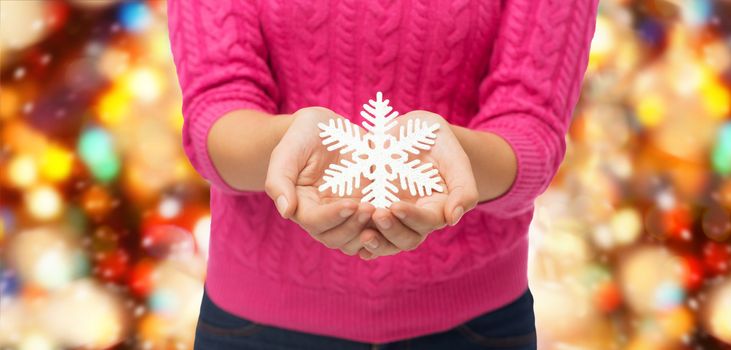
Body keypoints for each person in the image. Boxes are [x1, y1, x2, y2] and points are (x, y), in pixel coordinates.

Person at [167, 0, 599, 349]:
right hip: (256, 324)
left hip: (474, 323)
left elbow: (532, 129)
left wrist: (450, 156)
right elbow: (215, 112)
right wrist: (286, 146)